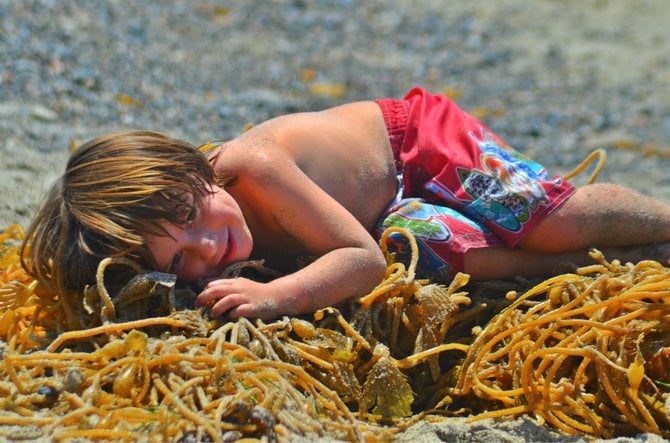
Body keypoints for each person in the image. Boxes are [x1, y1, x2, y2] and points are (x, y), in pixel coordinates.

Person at [22, 87, 670, 321]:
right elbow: (384, 253)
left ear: (197, 174)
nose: (209, 250)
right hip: (391, 212)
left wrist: (279, 296)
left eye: (195, 220)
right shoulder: (205, 245)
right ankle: (596, 267)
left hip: (414, 144)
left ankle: (650, 227)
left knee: (556, 222)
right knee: (429, 252)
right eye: (183, 260)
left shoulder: (256, 166)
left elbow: (358, 261)